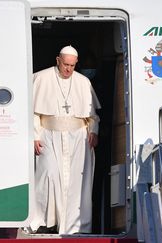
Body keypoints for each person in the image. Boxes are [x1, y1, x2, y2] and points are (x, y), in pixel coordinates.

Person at [30, 45, 101, 234]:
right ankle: (45, 222)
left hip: (78, 139)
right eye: (65, 65)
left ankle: (75, 227)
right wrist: (35, 135)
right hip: (49, 136)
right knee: (49, 175)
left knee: (76, 183)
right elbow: (33, 113)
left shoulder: (83, 82)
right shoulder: (41, 78)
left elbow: (92, 115)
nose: (68, 69)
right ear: (57, 60)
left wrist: (93, 131)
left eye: (72, 65)